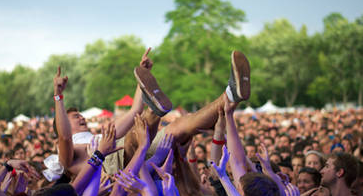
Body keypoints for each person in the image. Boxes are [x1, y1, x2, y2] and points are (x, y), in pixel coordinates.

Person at [56, 50, 251, 177]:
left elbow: (134, 111)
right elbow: (64, 135)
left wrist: (143, 77)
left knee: (180, 125)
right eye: (75, 116)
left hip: (132, 152)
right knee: (133, 138)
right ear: (62, 123)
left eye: (80, 114)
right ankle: (156, 112)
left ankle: (231, 95)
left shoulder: (101, 136)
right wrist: (58, 97)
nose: (81, 117)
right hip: (115, 169)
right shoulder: (65, 153)